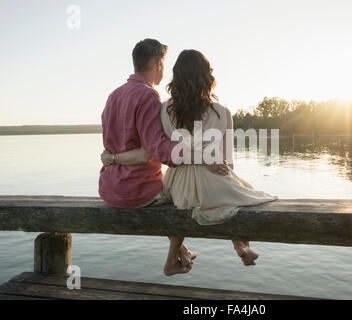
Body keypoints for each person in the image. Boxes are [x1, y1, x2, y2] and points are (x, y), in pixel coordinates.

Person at [102, 49, 277, 276]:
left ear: (176, 77)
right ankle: (241, 244)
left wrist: (115, 158)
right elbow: (228, 164)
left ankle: (181, 254)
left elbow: (163, 151)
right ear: (208, 76)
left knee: (190, 200)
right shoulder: (223, 113)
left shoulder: (164, 110)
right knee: (241, 191)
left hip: (178, 188)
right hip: (213, 180)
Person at [99, 39, 228, 276]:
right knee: (182, 193)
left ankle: (184, 252)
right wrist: (202, 156)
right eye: (163, 64)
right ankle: (174, 260)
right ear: (158, 64)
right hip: (137, 192)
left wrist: (115, 158)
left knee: (172, 185)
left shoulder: (113, 96)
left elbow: (111, 148)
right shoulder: (148, 96)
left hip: (109, 190)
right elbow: (157, 149)